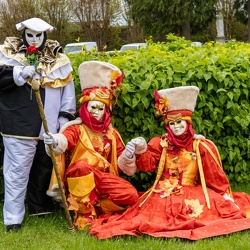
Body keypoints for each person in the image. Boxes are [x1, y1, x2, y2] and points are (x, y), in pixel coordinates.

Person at [89, 85, 250, 240]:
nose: (176, 127)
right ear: (167, 125)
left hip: (192, 192)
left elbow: (213, 174)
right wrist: (141, 150)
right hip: (161, 192)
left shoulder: (200, 145)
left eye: (180, 122)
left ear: (188, 123)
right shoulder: (161, 143)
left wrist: (224, 196)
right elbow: (147, 166)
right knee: (145, 216)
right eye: (172, 123)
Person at [43, 61, 142, 230]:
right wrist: (55, 141)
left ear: (107, 110)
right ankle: (84, 213)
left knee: (131, 195)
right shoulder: (76, 129)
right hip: (80, 178)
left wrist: (130, 153)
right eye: (92, 107)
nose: (96, 111)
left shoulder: (112, 133)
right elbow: (64, 140)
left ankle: (97, 207)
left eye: (100, 108)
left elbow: (121, 161)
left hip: (103, 178)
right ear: (85, 107)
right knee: (81, 166)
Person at [0, 17, 76, 232]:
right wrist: (17, 74)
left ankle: (39, 207)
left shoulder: (60, 59)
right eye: (30, 35)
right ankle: (13, 218)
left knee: (44, 166)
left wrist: (63, 122)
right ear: (23, 34)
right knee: (16, 171)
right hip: (18, 123)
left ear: (45, 36)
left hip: (49, 126)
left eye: (38, 35)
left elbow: (67, 94)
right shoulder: (7, 53)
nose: (34, 39)